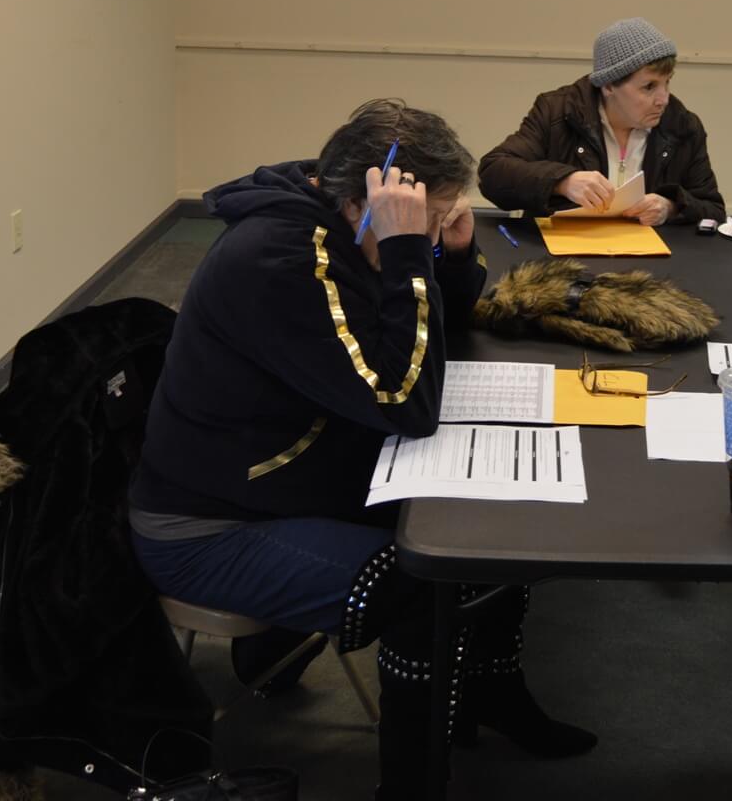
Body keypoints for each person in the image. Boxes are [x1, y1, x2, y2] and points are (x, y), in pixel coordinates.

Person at [129, 100, 595, 799]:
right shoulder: (279, 261)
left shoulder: (340, 231)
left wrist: (453, 255)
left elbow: (438, 336)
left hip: (299, 470)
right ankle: (411, 786)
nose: (432, 233)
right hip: (212, 525)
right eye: (427, 219)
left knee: (497, 523)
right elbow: (402, 400)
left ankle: (489, 696)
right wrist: (411, 253)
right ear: (365, 203)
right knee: (417, 591)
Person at [477, 17, 724, 226]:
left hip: (649, 266)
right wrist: (562, 181)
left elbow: (713, 210)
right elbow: (493, 173)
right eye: (649, 87)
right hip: (564, 262)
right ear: (608, 86)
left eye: (667, 82)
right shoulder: (558, 112)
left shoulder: (682, 126)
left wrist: (671, 207)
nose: (664, 99)